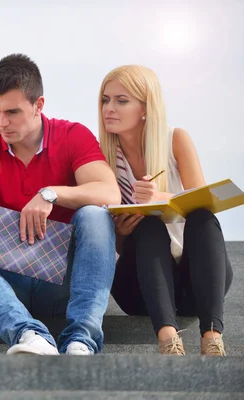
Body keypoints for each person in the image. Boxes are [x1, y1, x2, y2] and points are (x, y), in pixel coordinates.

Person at [0, 53, 121, 356]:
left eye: (12, 112)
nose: (1, 122)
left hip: (64, 281)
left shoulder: (73, 135)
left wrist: (51, 194)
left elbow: (109, 192)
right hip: (7, 283)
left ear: (39, 105)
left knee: (95, 215)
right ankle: (29, 336)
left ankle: (81, 342)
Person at [99, 65, 233, 356]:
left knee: (202, 216)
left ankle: (212, 337)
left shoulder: (176, 139)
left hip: (196, 283)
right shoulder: (101, 156)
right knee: (147, 224)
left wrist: (162, 198)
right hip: (139, 289)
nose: (109, 108)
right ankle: (168, 339)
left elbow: (204, 206)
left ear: (146, 108)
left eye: (121, 100)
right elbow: (115, 248)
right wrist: (120, 234)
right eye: (105, 100)